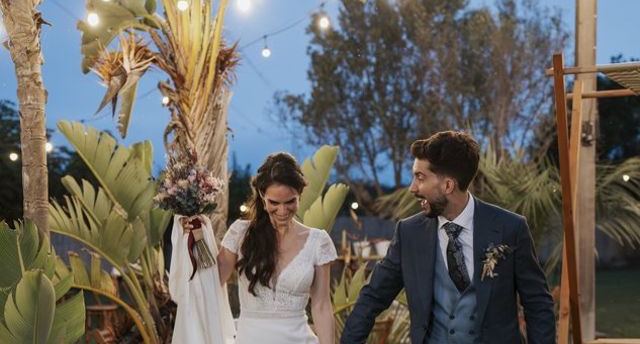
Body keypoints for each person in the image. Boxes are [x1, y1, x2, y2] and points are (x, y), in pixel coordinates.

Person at [341, 131, 555, 344]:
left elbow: (537, 303)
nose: (412, 188)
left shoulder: (510, 228)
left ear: (448, 185)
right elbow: (373, 298)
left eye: (420, 177)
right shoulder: (409, 233)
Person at [218, 152, 337, 343]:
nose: (282, 211)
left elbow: (322, 306)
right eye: (274, 202)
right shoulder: (240, 234)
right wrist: (195, 234)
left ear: (300, 196)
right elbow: (211, 280)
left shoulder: (318, 242)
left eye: (290, 201)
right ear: (262, 197)